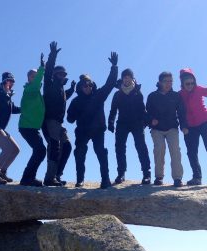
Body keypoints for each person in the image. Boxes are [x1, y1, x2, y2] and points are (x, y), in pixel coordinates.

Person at [67, 52, 118, 189]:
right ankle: (80, 180)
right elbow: (70, 119)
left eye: (89, 85)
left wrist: (114, 67)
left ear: (92, 85)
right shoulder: (76, 102)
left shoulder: (99, 95)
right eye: (85, 86)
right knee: (79, 153)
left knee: (101, 152)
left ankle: (105, 180)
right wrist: (75, 112)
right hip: (82, 131)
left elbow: (110, 83)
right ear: (80, 87)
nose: (88, 87)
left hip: (97, 130)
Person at [108, 68, 151, 185]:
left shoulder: (138, 92)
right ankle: (121, 173)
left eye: (129, 77)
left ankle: (146, 173)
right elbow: (113, 110)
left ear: (132, 78)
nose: (126, 79)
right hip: (122, 123)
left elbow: (143, 110)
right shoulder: (117, 94)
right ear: (122, 79)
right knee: (119, 147)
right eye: (124, 77)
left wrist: (146, 122)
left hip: (137, 123)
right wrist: (111, 122)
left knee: (141, 146)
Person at [42, 41, 75, 186]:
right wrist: (53, 55)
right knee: (54, 147)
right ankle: (50, 178)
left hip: (58, 123)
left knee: (67, 146)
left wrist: (72, 89)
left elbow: (64, 96)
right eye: (60, 74)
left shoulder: (61, 89)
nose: (63, 75)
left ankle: (56, 175)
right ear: (56, 75)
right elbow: (48, 70)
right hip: (49, 121)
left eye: (64, 74)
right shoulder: (49, 84)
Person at [146, 72, 187, 187]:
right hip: (157, 129)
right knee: (159, 149)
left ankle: (177, 178)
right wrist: (151, 120)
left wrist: (183, 126)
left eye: (170, 81)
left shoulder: (176, 96)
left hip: (172, 128)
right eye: (166, 81)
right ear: (160, 82)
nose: (168, 84)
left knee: (175, 150)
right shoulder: (152, 96)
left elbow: (181, 112)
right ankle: (159, 177)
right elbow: (147, 112)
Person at [18, 54, 46, 187]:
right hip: (27, 127)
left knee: (40, 150)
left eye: (36, 76)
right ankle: (27, 178)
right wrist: (41, 69)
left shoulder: (35, 92)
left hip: (32, 127)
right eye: (32, 77)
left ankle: (28, 177)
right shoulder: (30, 90)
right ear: (29, 79)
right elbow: (36, 84)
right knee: (40, 150)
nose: (35, 79)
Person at [179, 68, 207, 185]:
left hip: (204, 122)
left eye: (192, 83)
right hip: (189, 127)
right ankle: (197, 177)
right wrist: (183, 126)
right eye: (187, 83)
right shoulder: (179, 95)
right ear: (182, 83)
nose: (190, 85)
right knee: (191, 152)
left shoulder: (199, 89)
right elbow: (178, 112)